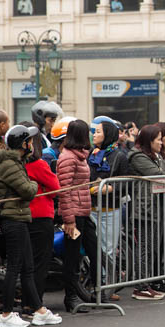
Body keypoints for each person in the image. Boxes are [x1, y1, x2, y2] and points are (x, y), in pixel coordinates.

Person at [0, 125, 62, 327]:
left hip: (20, 217)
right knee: (15, 268)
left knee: (28, 267)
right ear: (23, 144)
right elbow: (28, 190)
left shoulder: (16, 162)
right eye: (29, 141)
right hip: (13, 219)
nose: (32, 145)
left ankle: (39, 310)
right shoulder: (10, 164)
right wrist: (36, 184)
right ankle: (6, 314)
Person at [125, 124, 165, 301]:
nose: (161, 142)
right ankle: (140, 287)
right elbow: (160, 175)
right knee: (145, 248)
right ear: (148, 140)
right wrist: (161, 163)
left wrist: (161, 158)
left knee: (153, 248)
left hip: (157, 208)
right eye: (158, 139)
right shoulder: (137, 156)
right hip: (144, 209)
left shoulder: (155, 156)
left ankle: (149, 283)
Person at [58, 120, 96, 313]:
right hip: (73, 214)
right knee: (72, 258)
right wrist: (69, 219)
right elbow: (64, 190)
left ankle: (97, 292)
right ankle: (70, 297)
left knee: (94, 249)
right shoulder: (68, 158)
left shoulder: (80, 156)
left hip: (84, 212)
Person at [24, 128, 60, 305]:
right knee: (39, 264)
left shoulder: (17, 164)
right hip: (41, 215)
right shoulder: (38, 164)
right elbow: (55, 188)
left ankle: (27, 302)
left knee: (25, 263)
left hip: (23, 216)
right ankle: (35, 304)